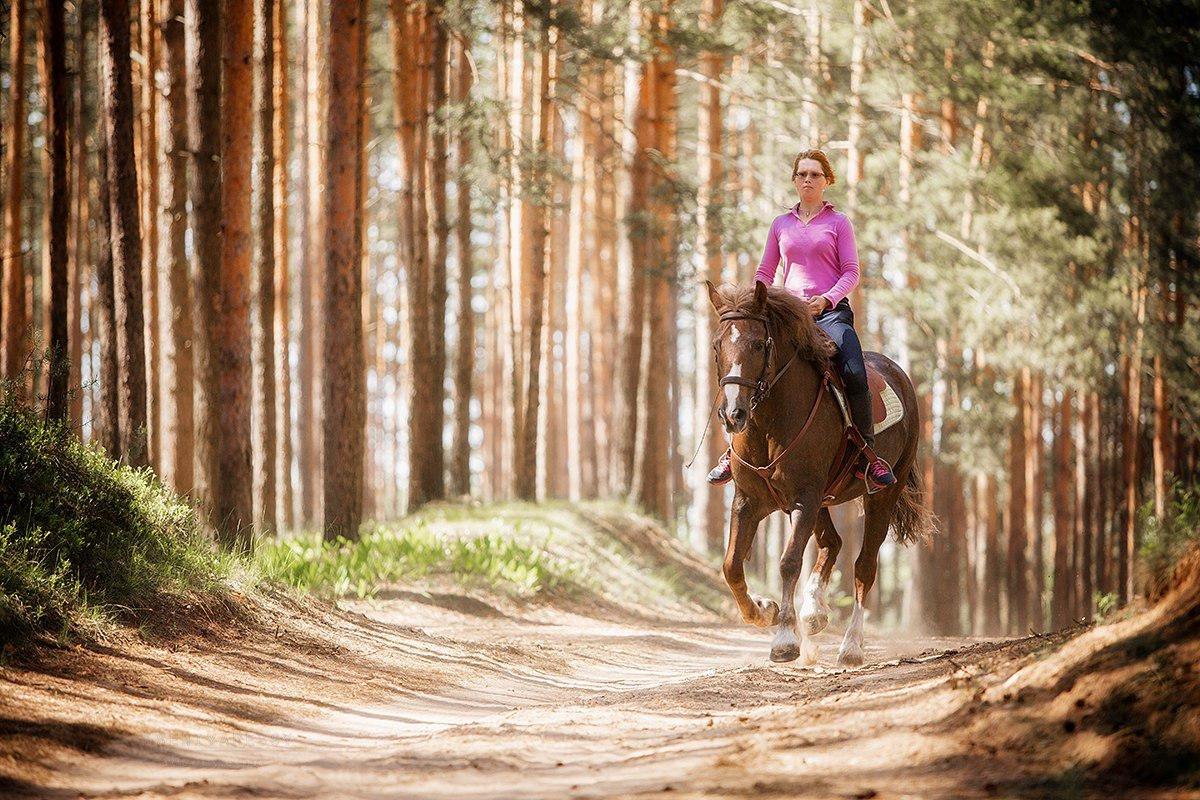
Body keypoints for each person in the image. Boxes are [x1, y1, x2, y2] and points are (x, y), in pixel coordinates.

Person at [708, 148, 897, 493]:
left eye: (815, 174)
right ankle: (731, 451)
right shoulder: (781, 224)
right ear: (795, 181)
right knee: (744, 366)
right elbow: (766, 271)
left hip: (831, 315)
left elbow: (851, 272)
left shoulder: (838, 223)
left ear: (827, 181)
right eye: (802, 174)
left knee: (854, 371)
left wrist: (827, 299)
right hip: (788, 315)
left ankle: (868, 455)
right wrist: (756, 302)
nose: (808, 180)